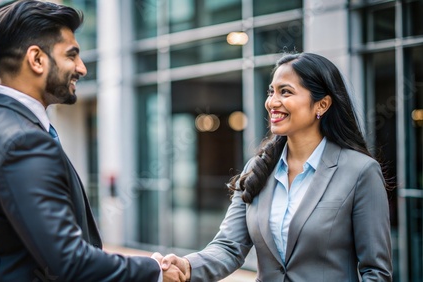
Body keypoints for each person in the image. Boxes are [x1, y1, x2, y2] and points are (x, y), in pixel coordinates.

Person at [0, 1, 185, 281]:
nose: (81, 68)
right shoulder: (25, 142)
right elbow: (71, 262)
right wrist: (154, 272)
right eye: (71, 55)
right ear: (36, 59)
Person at [153, 52, 393, 281]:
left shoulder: (360, 171)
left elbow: (376, 272)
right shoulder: (258, 168)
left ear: (322, 104)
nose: (272, 102)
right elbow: (229, 246)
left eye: (286, 92)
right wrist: (186, 267)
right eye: (271, 92)